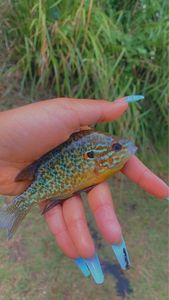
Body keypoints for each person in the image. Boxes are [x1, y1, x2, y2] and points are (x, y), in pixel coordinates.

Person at [0, 96, 168, 284]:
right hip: (48, 178)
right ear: (97, 155)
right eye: (117, 147)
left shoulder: (98, 155)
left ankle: (10, 217)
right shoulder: (95, 156)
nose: (124, 148)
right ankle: (11, 214)